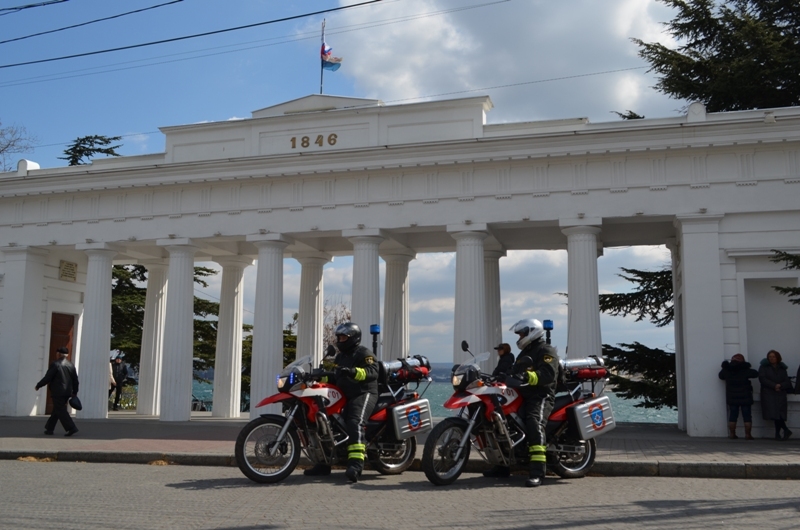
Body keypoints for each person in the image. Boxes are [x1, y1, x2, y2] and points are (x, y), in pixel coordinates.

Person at [484, 318, 559, 487]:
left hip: (541, 395)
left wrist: (527, 376)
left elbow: (548, 374)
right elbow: (515, 371)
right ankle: (502, 466)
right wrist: (502, 376)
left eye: (521, 334)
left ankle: (537, 472)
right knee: (503, 423)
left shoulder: (546, 350)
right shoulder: (525, 353)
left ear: (532, 332)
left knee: (534, 422)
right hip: (522, 394)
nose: (519, 338)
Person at [303, 322, 379, 483]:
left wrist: (352, 372)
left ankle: (356, 465)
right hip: (344, 394)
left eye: (343, 337)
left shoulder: (364, 353)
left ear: (353, 338)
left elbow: (373, 371)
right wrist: (318, 376)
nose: (340, 341)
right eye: (339, 338)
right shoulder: (340, 356)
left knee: (355, 421)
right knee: (326, 423)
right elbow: (336, 376)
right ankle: (324, 464)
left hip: (363, 393)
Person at [34, 347, 79, 436]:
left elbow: (48, 377)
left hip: (58, 392)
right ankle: (49, 429)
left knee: (61, 410)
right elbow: (75, 380)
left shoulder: (56, 364)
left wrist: (39, 385)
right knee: (56, 410)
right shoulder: (71, 365)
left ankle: (71, 428)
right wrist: (75, 391)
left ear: (58, 354)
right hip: (67, 392)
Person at [718, 353, 758, 440]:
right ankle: (748, 434)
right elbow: (755, 373)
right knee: (747, 415)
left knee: (733, 415)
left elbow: (721, 376)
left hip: (732, 396)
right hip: (745, 395)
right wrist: (746, 366)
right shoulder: (745, 369)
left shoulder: (727, 369)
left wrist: (726, 367)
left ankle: (732, 434)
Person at [758, 350, 792, 440]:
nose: (771, 358)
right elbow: (762, 379)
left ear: (777, 358)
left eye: (773, 357)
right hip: (768, 394)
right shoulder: (764, 367)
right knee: (774, 413)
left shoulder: (782, 368)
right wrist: (774, 385)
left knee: (779, 414)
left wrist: (780, 385)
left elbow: (787, 381)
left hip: (780, 393)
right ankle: (784, 430)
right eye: (770, 357)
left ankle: (778, 434)